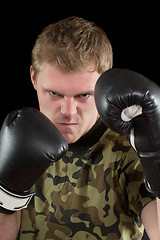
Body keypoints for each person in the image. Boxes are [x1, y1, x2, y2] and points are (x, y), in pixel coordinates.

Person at [0, 16, 159, 240]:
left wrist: (156, 156)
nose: (68, 111)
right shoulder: (13, 142)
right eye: (54, 93)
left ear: (104, 87)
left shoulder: (127, 150)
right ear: (34, 78)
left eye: (83, 95)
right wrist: (7, 194)